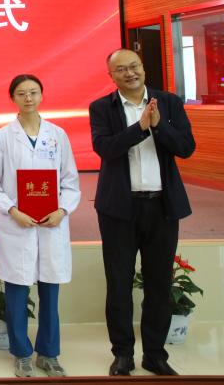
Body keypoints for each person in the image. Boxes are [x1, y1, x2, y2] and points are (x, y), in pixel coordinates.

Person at [90, 49, 195, 377]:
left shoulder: (169, 103)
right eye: (121, 69)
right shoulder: (101, 107)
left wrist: (159, 126)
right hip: (119, 209)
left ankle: (155, 354)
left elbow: (186, 147)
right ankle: (122, 354)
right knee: (119, 285)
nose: (129, 73)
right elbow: (105, 148)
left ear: (143, 67)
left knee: (159, 284)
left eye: (133, 66)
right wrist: (139, 127)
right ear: (111, 76)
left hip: (162, 207)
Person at [0, 74, 81, 378]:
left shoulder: (57, 135)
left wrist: (62, 210)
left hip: (52, 223)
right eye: (22, 93)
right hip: (18, 223)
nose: (28, 98)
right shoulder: (3, 137)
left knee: (50, 293)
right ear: (12, 98)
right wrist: (12, 210)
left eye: (33, 92)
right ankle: (22, 354)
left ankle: (49, 353)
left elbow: (70, 180)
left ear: (41, 95)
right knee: (16, 291)